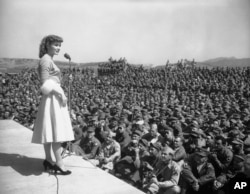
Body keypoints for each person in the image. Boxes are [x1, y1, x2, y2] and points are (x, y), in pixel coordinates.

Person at [31, 35, 74, 175]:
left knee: (50, 129)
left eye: (59, 45)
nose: (58, 48)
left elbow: (51, 78)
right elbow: (45, 84)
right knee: (56, 132)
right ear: (47, 45)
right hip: (52, 97)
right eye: (55, 44)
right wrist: (60, 93)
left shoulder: (48, 59)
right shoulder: (45, 60)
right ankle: (59, 163)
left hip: (53, 96)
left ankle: (49, 160)